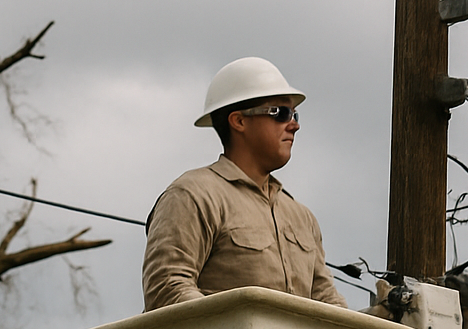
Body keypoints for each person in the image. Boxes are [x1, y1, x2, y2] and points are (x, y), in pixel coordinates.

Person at [142, 57, 348, 312]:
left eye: (295, 114)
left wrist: (382, 319)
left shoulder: (302, 218)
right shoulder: (193, 195)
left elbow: (330, 308)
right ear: (238, 121)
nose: (294, 125)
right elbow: (167, 289)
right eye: (280, 113)